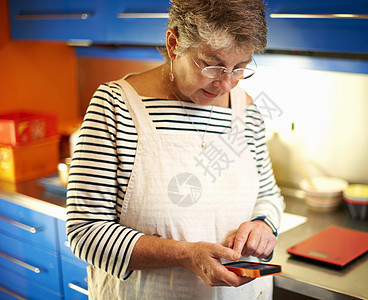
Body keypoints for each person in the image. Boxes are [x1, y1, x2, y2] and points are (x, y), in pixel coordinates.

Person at [66, 0, 285, 298]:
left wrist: (263, 225)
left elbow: (268, 195)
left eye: (239, 68)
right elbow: (85, 231)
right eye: (213, 65)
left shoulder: (245, 109)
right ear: (174, 43)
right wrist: (185, 254)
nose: (226, 84)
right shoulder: (116, 106)